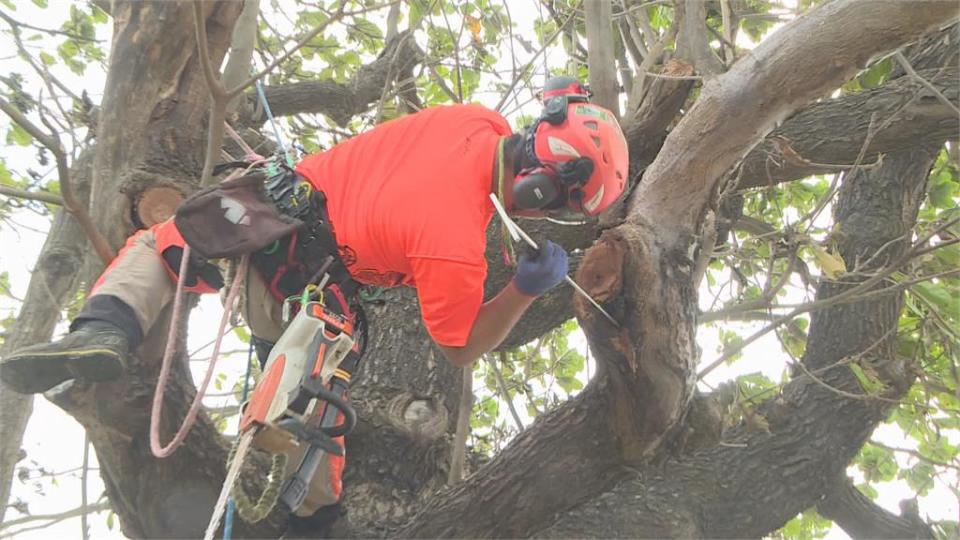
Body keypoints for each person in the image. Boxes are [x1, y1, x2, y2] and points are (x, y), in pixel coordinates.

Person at [0, 78, 628, 532]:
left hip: (269, 213)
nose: (541, 211)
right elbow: (458, 347)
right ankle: (315, 520)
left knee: (162, 243)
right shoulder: (455, 245)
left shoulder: (471, 117)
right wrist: (521, 289)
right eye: (552, 204)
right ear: (543, 187)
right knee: (312, 419)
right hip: (312, 291)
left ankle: (105, 328)